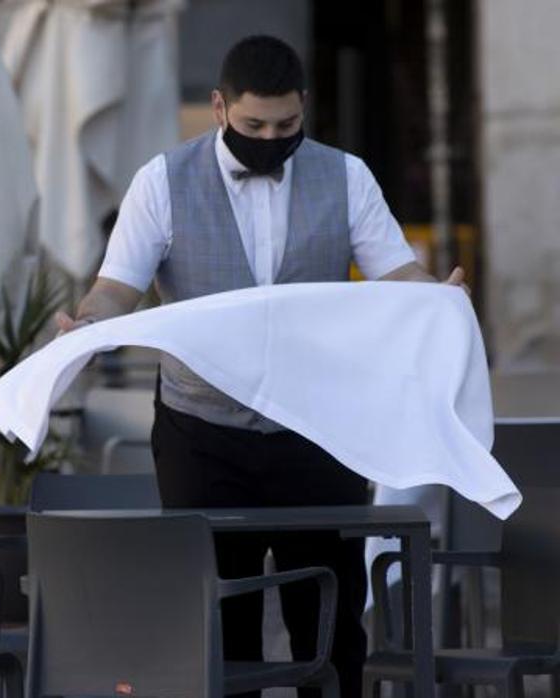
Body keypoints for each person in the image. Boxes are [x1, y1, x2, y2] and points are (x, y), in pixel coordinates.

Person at [54, 36, 464, 698]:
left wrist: (439, 299)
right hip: (201, 436)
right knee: (219, 624)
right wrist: (91, 322)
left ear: (304, 107)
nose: (271, 138)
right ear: (218, 107)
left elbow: (398, 273)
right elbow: (116, 287)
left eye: (286, 125)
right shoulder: (161, 180)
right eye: (253, 126)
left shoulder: (347, 175)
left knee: (330, 631)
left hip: (319, 431)